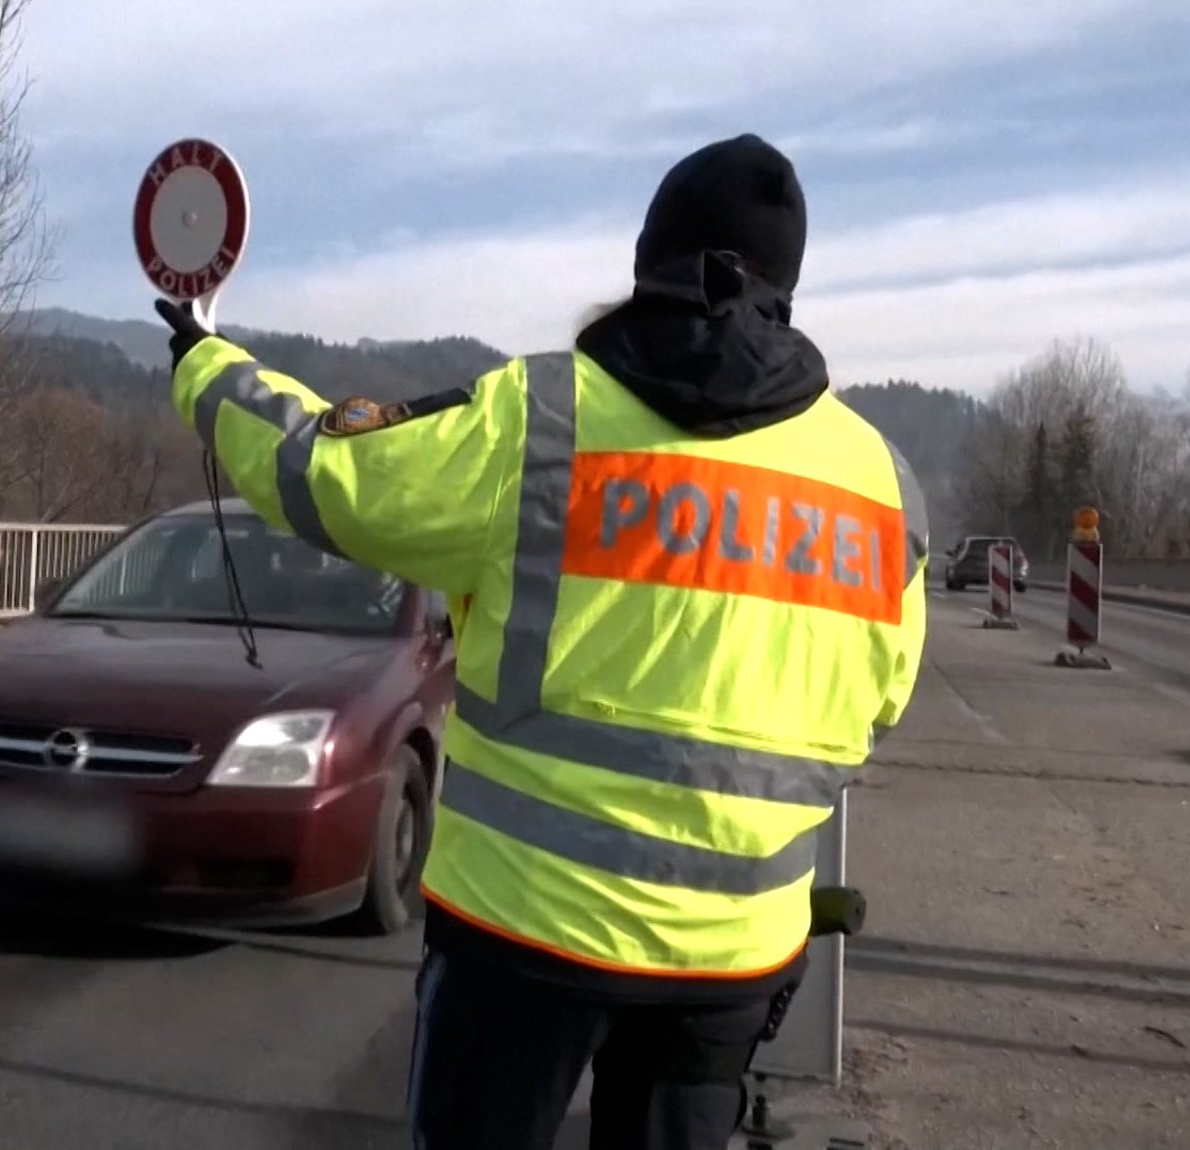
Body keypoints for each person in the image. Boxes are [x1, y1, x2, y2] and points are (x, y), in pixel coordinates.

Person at [151, 133, 929, 1150]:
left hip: (523, 937)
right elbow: (879, 700)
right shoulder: (874, 484)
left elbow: (324, 475)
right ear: (786, 284)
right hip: (731, 953)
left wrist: (202, 362)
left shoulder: (540, 421)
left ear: (648, 259)